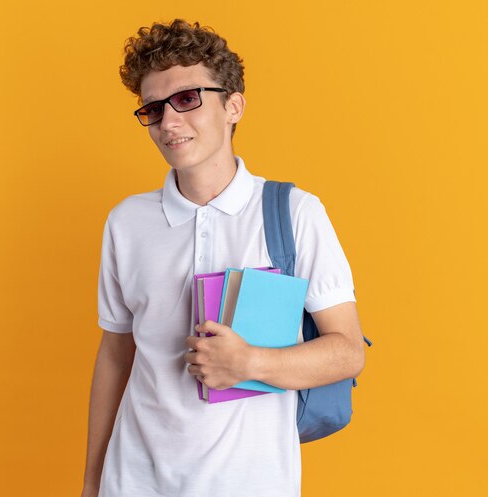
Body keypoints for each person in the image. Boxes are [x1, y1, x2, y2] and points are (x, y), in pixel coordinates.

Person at [82, 19, 365, 497]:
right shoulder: (127, 222)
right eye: (153, 108)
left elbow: (348, 351)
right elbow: (115, 354)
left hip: (254, 484)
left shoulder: (294, 212)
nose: (169, 122)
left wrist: (249, 362)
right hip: (132, 481)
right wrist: (92, 483)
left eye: (188, 99)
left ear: (233, 106)